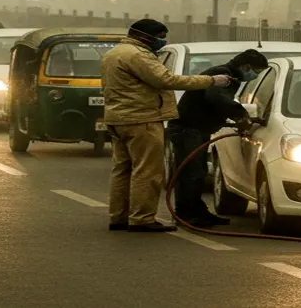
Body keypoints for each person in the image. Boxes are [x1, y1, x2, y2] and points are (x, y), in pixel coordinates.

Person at [100, 19, 236, 233]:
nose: (163, 41)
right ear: (145, 36)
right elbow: (167, 80)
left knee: (123, 170)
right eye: (161, 36)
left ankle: (119, 216)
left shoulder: (115, 53)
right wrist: (210, 81)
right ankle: (142, 218)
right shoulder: (138, 55)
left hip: (117, 118)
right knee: (147, 171)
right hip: (141, 119)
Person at [168, 49, 268, 226]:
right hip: (188, 129)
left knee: (198, 172)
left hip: (197, 128)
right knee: (191, 172)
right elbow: (217, 98)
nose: (254, 76)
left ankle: (197, 211)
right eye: (256, 72)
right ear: (246, 66)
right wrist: (240, 115)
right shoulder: (222, 75)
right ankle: (186, 214)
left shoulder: (231, 76)